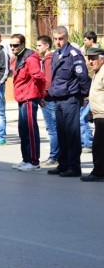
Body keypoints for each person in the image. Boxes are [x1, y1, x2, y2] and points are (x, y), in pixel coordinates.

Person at [47, 26, 91, 178]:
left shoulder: (74, 54)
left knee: (72, 134)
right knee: (62, 133)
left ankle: (74, 167)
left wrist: (84, 96)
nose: (58, 42)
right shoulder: (56, 54)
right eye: (56, 39)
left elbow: (83, 77)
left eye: (61, 39)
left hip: (71, 98)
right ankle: (63, 164)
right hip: (58, 99)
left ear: (66, 38)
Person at [8, 34, 46, 171]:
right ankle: (26, 159)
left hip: (30, 97)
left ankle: (34, 162)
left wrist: (41, 95)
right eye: (11, 45)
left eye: (16, 45)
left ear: (23, 44)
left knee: (30, 130)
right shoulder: (18, 57)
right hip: (22, 97)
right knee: (23, 130)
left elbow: (40, 78)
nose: (13, 48)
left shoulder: (30, 58)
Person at [81, 47, 104, 182]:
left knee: (98, 146)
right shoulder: (98, 71)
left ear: (102, 59)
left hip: (103, 114)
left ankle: (98, 173)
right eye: (89, 59)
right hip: (98, 113)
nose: (90, 61)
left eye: (93, 59)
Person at [36, 35, 58, 167]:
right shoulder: (49, 58)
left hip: (48, 98)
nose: (37, 48)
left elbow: (48, 80)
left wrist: (42, 95)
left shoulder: (49, 59)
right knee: (54, 128)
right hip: (50, 97)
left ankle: (54, 156)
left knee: (52, 129)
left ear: (47, 45)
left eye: (39, 45)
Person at [80, 31, 97, 153]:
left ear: (91, 40)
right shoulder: (89, 52)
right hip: (89, 89)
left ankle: (88, 142)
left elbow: (88, 70)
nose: (84, 42)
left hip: (91, 90)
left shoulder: (94, 53)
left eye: (86, 40)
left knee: (82, 118)